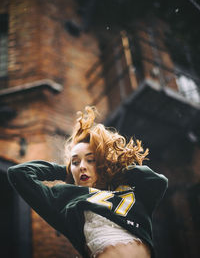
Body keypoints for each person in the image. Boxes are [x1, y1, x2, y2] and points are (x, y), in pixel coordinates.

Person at [7, 106, 168, 258]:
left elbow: (157, 182)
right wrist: (68, 170)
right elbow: (19, 174)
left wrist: (116, 166)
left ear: (103, 162)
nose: (82, 167)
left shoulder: (130, 192)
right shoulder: (67, 200)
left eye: (90, 160)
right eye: (76, 162)